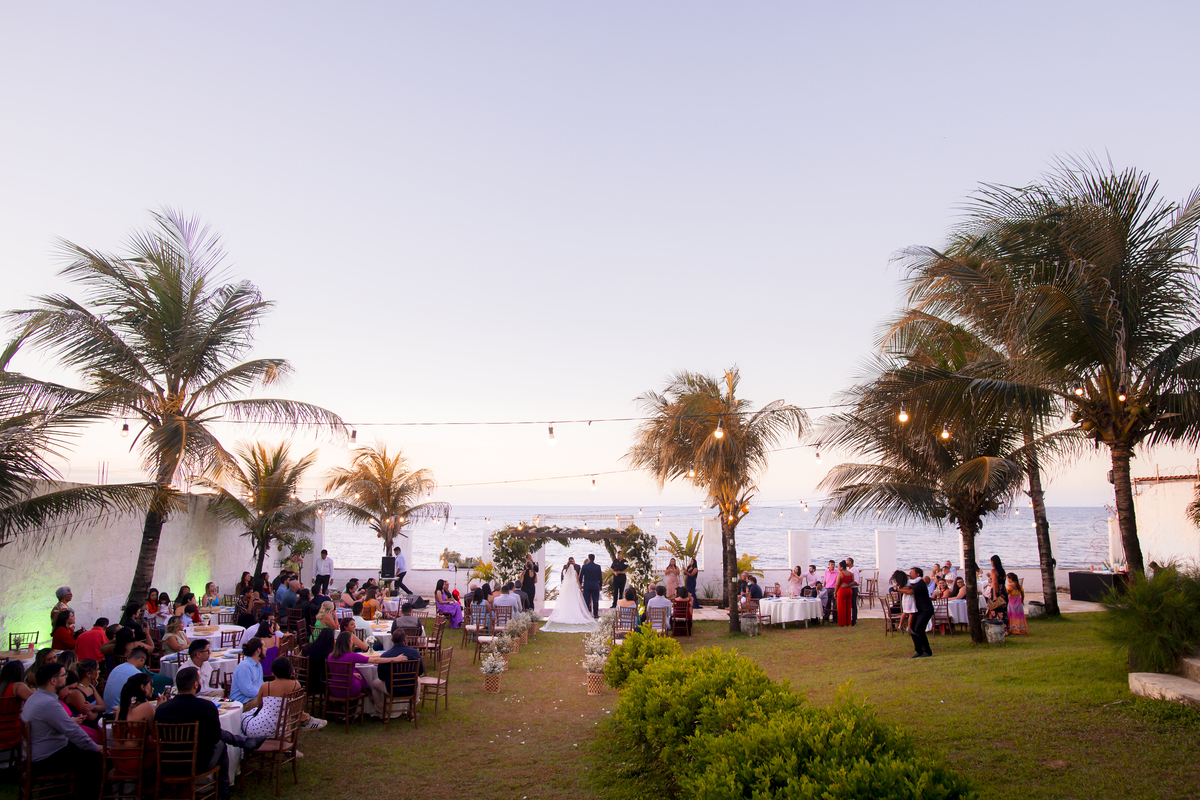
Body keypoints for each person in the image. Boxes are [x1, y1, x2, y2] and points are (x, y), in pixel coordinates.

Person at [155, 667, 262, 800]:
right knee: (221, 744)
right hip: (197, 764)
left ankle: (243, 742)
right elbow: (215, 736)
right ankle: (223, 792)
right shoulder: (206, 707)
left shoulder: (161, 710)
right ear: (195, 685)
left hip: (167, 764)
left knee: (217, 739)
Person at [21, 662, 102, 797]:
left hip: (37, 753)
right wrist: (96, 747)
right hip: (44, 759)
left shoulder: (36, 697)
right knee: (94, 757)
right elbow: (73, 732)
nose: (66, 677)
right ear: (53, 681)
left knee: (84, 749)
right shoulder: (50, 703)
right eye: (63, 675)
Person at [241, 656, 327, 734]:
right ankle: (306, 721)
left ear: (273, 672)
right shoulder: (295, 685)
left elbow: (260, 705)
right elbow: (295, 707)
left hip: (257, 729)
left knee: (244, 717)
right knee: (286, 709)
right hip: (280, 730)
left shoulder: (265, 686)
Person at [327, 631, 405, 712]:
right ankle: (369, 695)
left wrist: (352, 673)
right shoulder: (352, 656)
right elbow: (374, 660)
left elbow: (337, 670)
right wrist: (395, 659)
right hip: (349, 690)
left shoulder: (330, 656)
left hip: (333, 689)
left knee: (358, 674)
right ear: (349, 642)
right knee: (361, 678)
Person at [543, 559, 599, 631]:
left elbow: (564, 580)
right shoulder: (575, 572)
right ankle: (573, 614)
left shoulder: (564, 571)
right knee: (573, 601)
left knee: (566, 602)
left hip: (566, 589)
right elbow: (577, 580)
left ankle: (565, 614)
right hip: (573, 589)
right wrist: (580, 587)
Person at [376, 634, 424, 700]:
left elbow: (381, 677)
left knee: (373, 684)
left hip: (392, 689)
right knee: (418, 679)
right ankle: (414, 704)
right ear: (405, 640)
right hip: (410, 688)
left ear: (391, 640)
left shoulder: (385, 655)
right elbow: (420, 671)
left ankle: (379, 708)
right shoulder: (415, 653)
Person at [230, 638, 265, 704]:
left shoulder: (258, 665)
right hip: (242, 702)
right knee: (267, 702)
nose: (266, 649)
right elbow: (248, 691)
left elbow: (261, 684)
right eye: (264, 646)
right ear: (258, 650)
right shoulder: (244, 666)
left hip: (253, 698)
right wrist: (264, 695)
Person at [986, 554, 1009, 626]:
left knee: (994, 609)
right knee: (1003, 611)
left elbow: (995, 583)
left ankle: (996, 626)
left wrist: (995, 595)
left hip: (997, 591)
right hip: (1003, 591)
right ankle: (1005, 627)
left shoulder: (994, 571)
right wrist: (990, 577)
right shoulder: (1002, 571)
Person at [580, 554, 603, 619]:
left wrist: (580, 584)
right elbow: (600, 577)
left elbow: (581, 576)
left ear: (589, 559)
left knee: (586, 600)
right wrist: (600, 585)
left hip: (587, 585)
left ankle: (586, 614)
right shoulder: (598, 567)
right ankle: (595, 614)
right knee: (595, 600)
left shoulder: (584, 566)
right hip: (595, 585)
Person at [835, 560, 854, 628]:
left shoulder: (840, 574)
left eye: (839, 566)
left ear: (842, 567)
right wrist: (848, 584)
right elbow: (853, 581)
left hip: (842, 590)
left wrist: (835, 592)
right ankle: (849, 622)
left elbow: (837, 584)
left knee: (841, 607)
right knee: (848, 607)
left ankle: (843, 623)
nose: (838, 568)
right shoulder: (850, 573)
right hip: (849, 590)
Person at [846, 557, 861, 626]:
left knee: (853, 604)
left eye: (847, 562)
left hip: (853, 588)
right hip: (849, 588)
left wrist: (849, 584)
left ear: (850, 562)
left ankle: (854, 620)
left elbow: (856, 581)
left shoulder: (855, 570)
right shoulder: (848, 569)